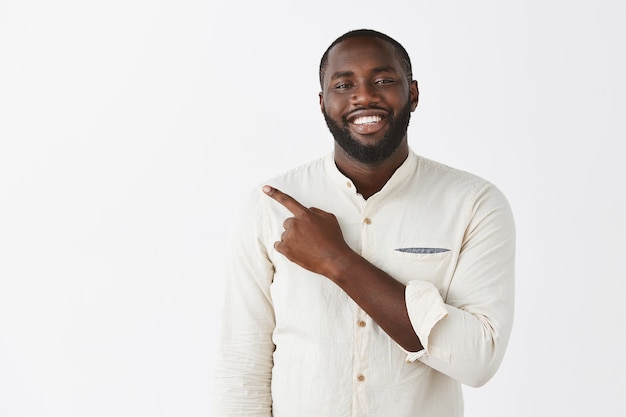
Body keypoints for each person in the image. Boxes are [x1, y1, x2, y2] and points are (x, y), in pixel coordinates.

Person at [214, 29, 515, 417]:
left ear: (414, 94)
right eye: (344, 84)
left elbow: (478, 360)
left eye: (384, 80)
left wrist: (337, 261)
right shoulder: (270, 206)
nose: (364, 96)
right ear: (323, 103)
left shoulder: (474, 204)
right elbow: (243, 362)